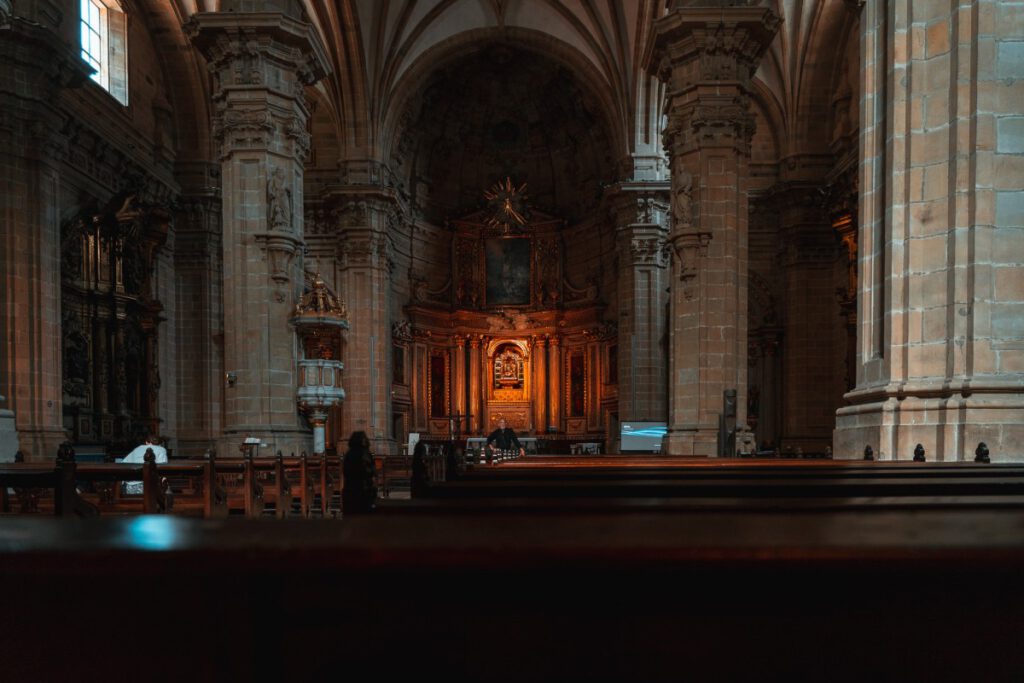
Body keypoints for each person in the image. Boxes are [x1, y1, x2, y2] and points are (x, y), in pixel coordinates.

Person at [342, 431, 377, 514]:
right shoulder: (364, 454)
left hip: (350, 489)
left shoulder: (349, 454)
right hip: (362, 489)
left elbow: (346, 471)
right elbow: (370, 471)